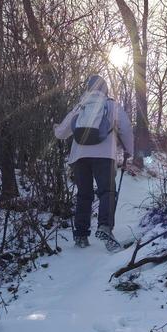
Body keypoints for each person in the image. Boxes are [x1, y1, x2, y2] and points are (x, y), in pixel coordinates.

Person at [54, 75, 133, 250]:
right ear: (105, 89)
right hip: (104, 156)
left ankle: (81, 235)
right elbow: (126, 128)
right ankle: (105, 227)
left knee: (84, 194)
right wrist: (130, 151)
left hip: (79, 157)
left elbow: (61, 133)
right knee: (107, 191)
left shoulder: (81, 106)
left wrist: (56, 128)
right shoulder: (111, 105)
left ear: (88, 89)